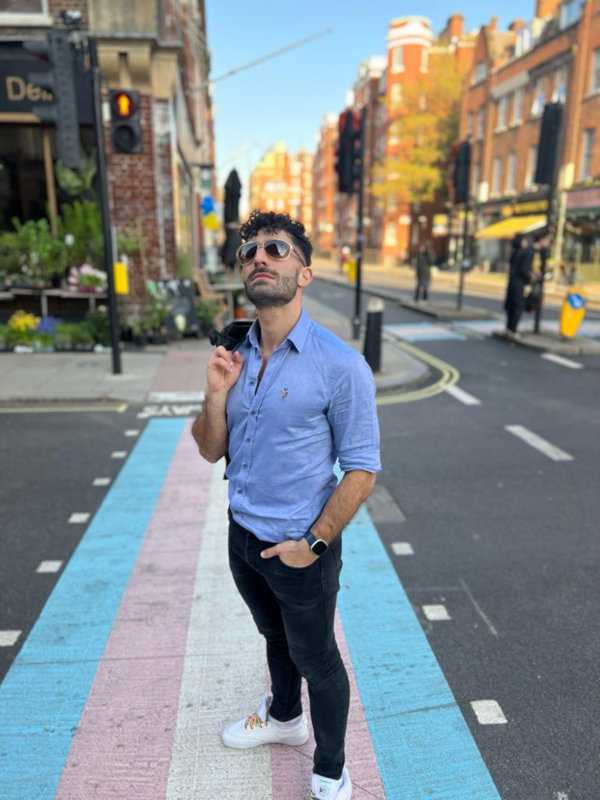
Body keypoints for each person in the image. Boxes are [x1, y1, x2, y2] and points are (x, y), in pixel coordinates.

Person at [191, 210, 381, 800]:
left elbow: (363, 469)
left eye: (275, 249)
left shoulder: (340, 365)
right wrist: (215, 393)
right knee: (274, 638)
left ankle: (329, 771)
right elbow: (208, 448)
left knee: (317, 658)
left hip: (301, 546)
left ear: (304, 273)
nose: (259, 259)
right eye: (249, 252)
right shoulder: (235, 352)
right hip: (242, 535)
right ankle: (282, 717)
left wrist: (314, 543)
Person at [503, 233, 533, 337]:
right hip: (519, 284)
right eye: (524, 240)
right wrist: (531, 278)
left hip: (511, 282)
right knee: (518, 307)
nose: (526, 242)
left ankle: (509, 329)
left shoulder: (514, 252)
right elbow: (524, 270)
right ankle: (513, 330)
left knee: (511, 306)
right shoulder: (525, 253)